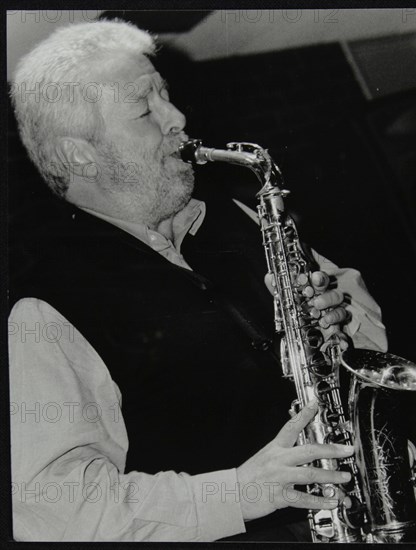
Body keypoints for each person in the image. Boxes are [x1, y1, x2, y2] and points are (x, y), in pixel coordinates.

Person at [8, 20, 388, 542]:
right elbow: (49, 508)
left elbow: (370, 341)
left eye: (167, 96)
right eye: (145, 109)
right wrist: (238, 492)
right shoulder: (43, 308)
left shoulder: (242, 218)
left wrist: (337, 318)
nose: (178, 118)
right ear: (80, 153)